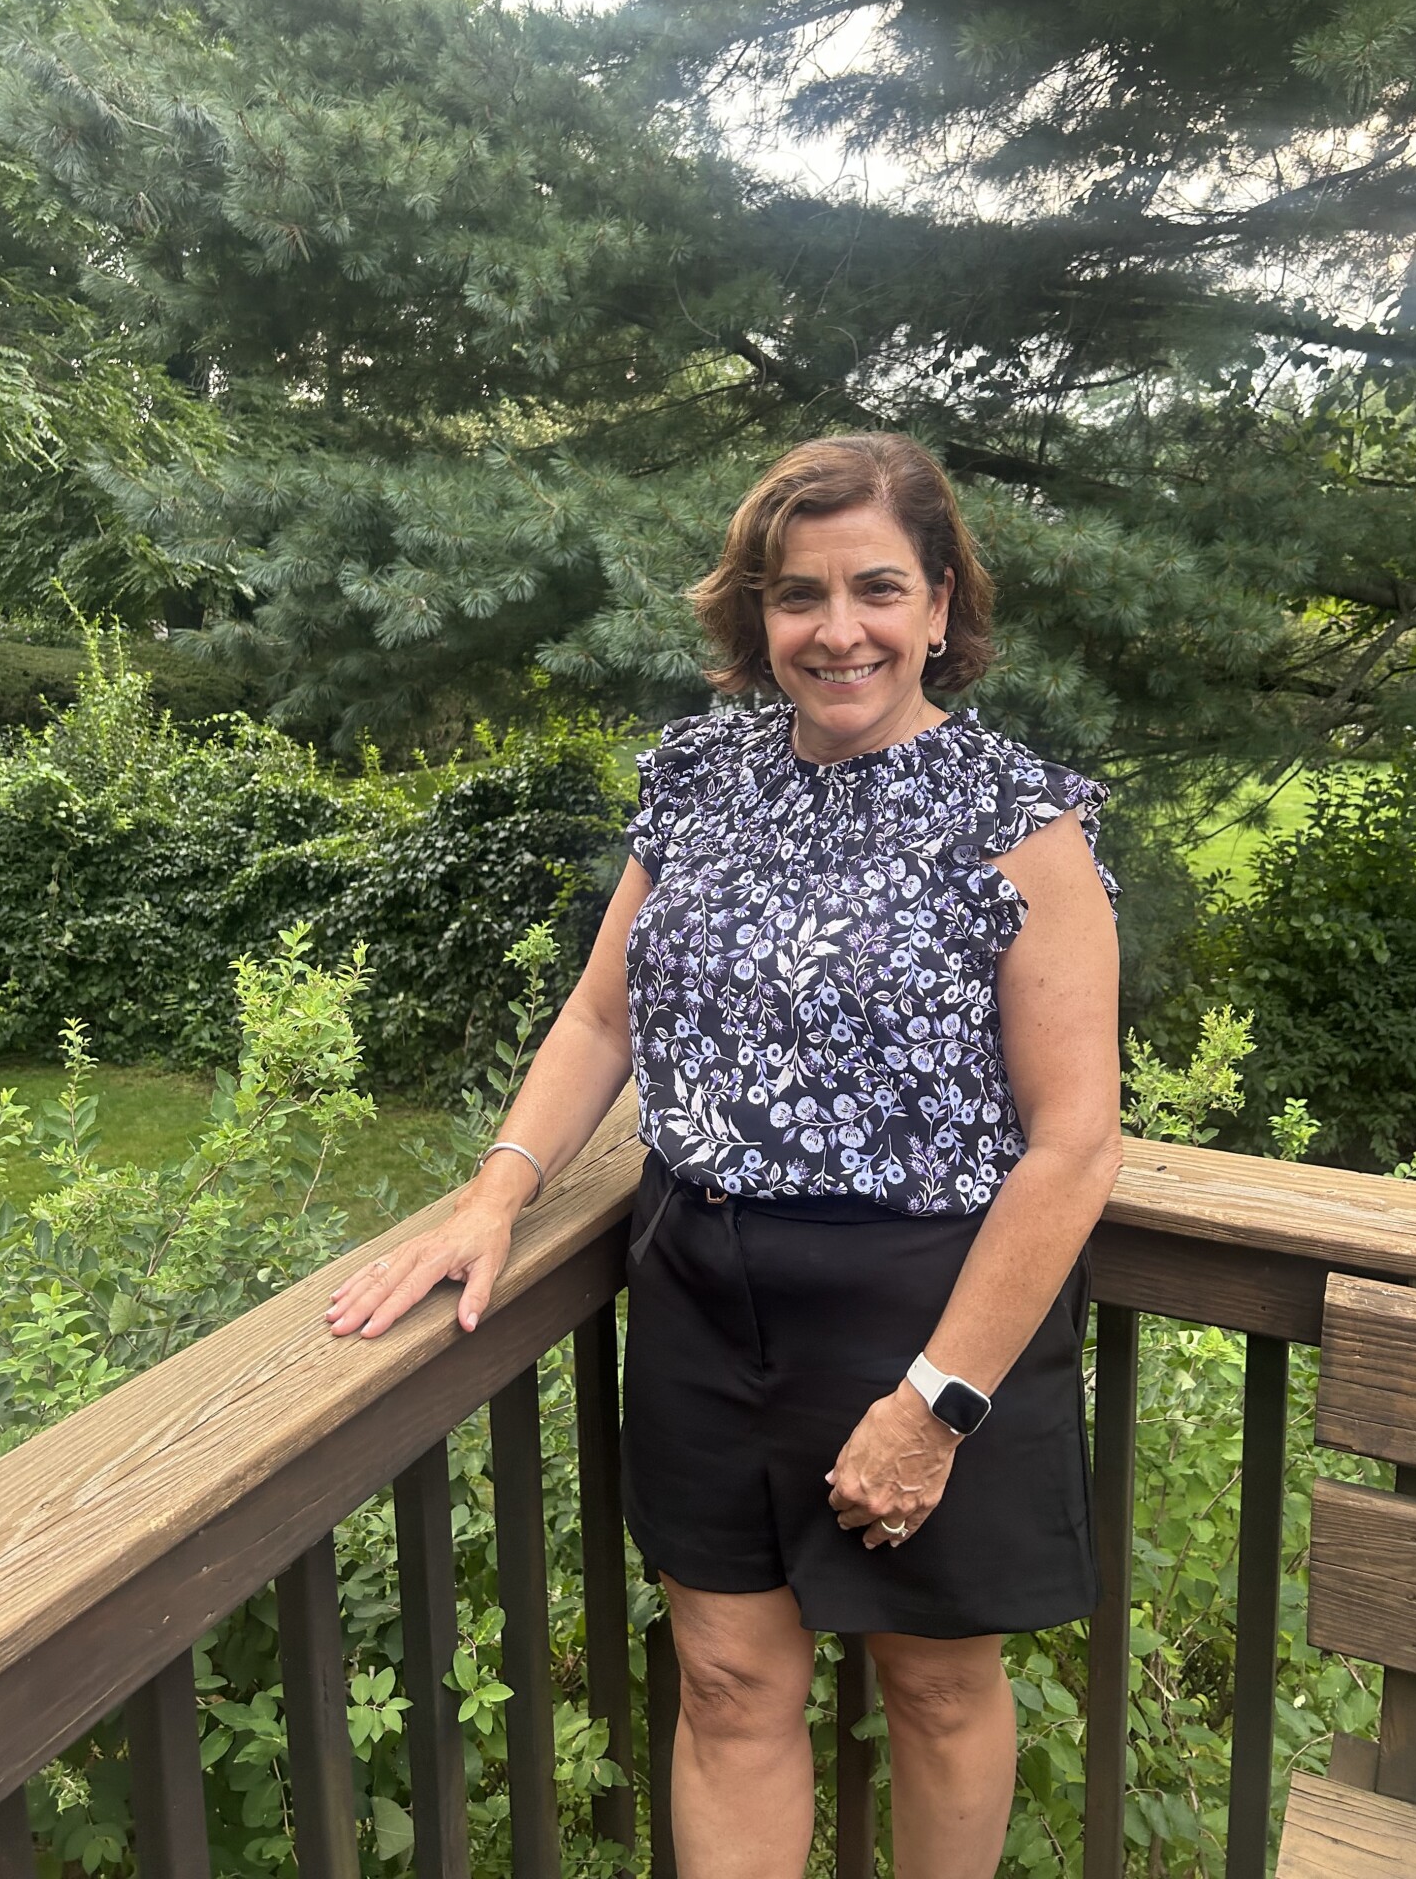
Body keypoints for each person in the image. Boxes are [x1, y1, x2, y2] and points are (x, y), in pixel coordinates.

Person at [326, 432, 1122, 1879]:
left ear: (941, 605)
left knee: (938, 1689)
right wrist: (495, 1192)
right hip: (700, 1292)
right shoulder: (699, 774)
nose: (837, 630)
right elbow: (598, 1013)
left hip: (930, 1309)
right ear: (756, 616)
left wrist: (935, 1405)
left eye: (878, 588)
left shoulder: (1022, 822)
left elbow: (1073, 1149)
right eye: (796, 594)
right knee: (730, 1683)